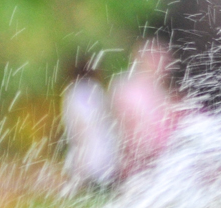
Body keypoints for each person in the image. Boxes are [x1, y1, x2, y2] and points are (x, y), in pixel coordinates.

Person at [110, 38, 182, 180]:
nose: (164, 67)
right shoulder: (127, 87)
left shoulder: (159, 91)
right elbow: (128, 124)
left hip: (161, 154)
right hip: (141, 155)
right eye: (158, 61)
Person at [61, 58, 119, 192]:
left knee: (91, 182)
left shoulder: (73, 92)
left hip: (89, 146)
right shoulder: (94, 89)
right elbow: (108, 115)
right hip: (102, 144)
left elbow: (76, 124)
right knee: (102, 184)